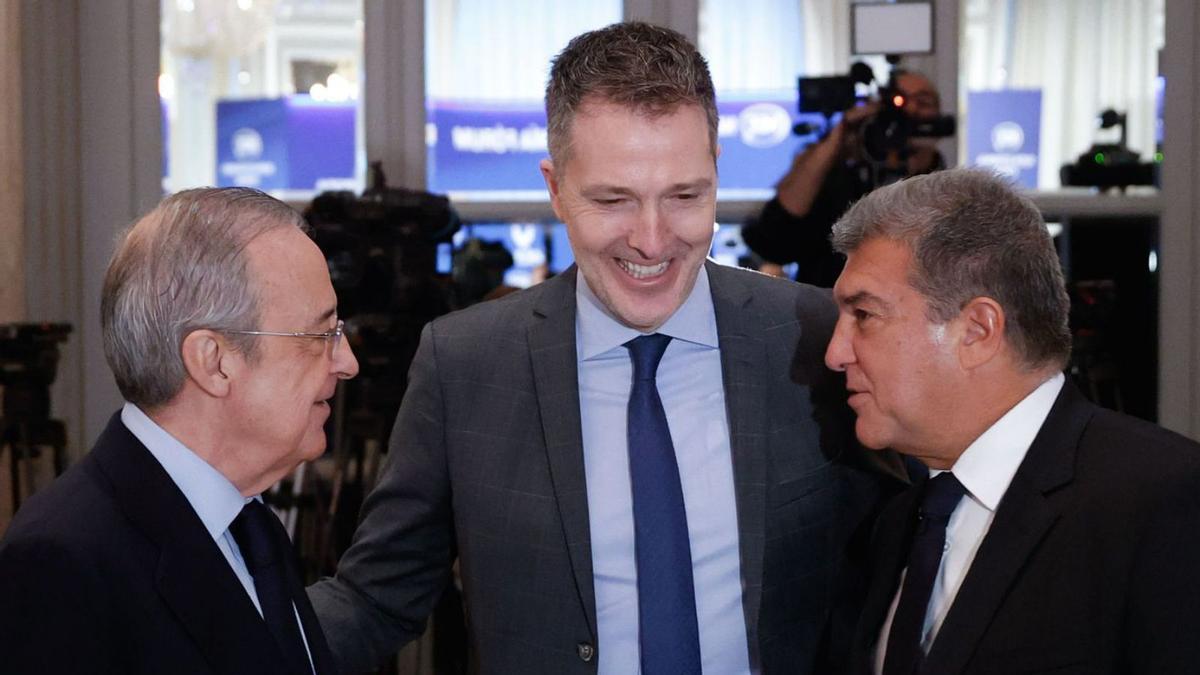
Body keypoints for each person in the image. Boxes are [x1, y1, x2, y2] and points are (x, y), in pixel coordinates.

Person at [309, 21, 900, 675]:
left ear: (715, 174)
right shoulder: (466, 363)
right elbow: (374, 596)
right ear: (556, 189)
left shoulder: (819, 335)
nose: (652, 240)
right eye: (613, 199)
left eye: (684, 195)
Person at [823, 169, 1200, 674]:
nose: (835, 353)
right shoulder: (897, 521)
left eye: (864, 315)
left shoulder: (1166, 500)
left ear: (977, 330)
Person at [0, 188, 359, 674]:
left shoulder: (249, 523)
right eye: (321, 335)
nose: (347, 363)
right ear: (214, 362)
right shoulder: (61, 561)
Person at [742, 70, 944, 288]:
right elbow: (772, 240)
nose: (909, 110)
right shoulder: (840, 183)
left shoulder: (947, 193)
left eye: (923, 102)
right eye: (896, 102)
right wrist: (838, 136)